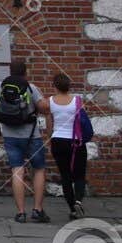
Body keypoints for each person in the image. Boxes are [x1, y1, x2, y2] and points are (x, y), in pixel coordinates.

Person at [0, 59, 51, 223]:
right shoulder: (30, 87)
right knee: (39, 169)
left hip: (9, 135)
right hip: (31, 135)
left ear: (10, 71)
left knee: (17, 171)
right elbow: (44, 108)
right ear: (25, 72)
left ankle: (20, 212)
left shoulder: (0, 87)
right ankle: (37, 209)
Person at [46, 73, 89, 220]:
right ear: (68, 86)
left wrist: (50, 136)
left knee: (65, 176)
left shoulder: (50, 101)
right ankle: (78, 201)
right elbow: (83, 120)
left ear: (55, 86)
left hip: (58, 140)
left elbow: (49, 125)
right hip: (75, 141)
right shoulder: (77, 100)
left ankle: (72, 209)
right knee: (79, 175)